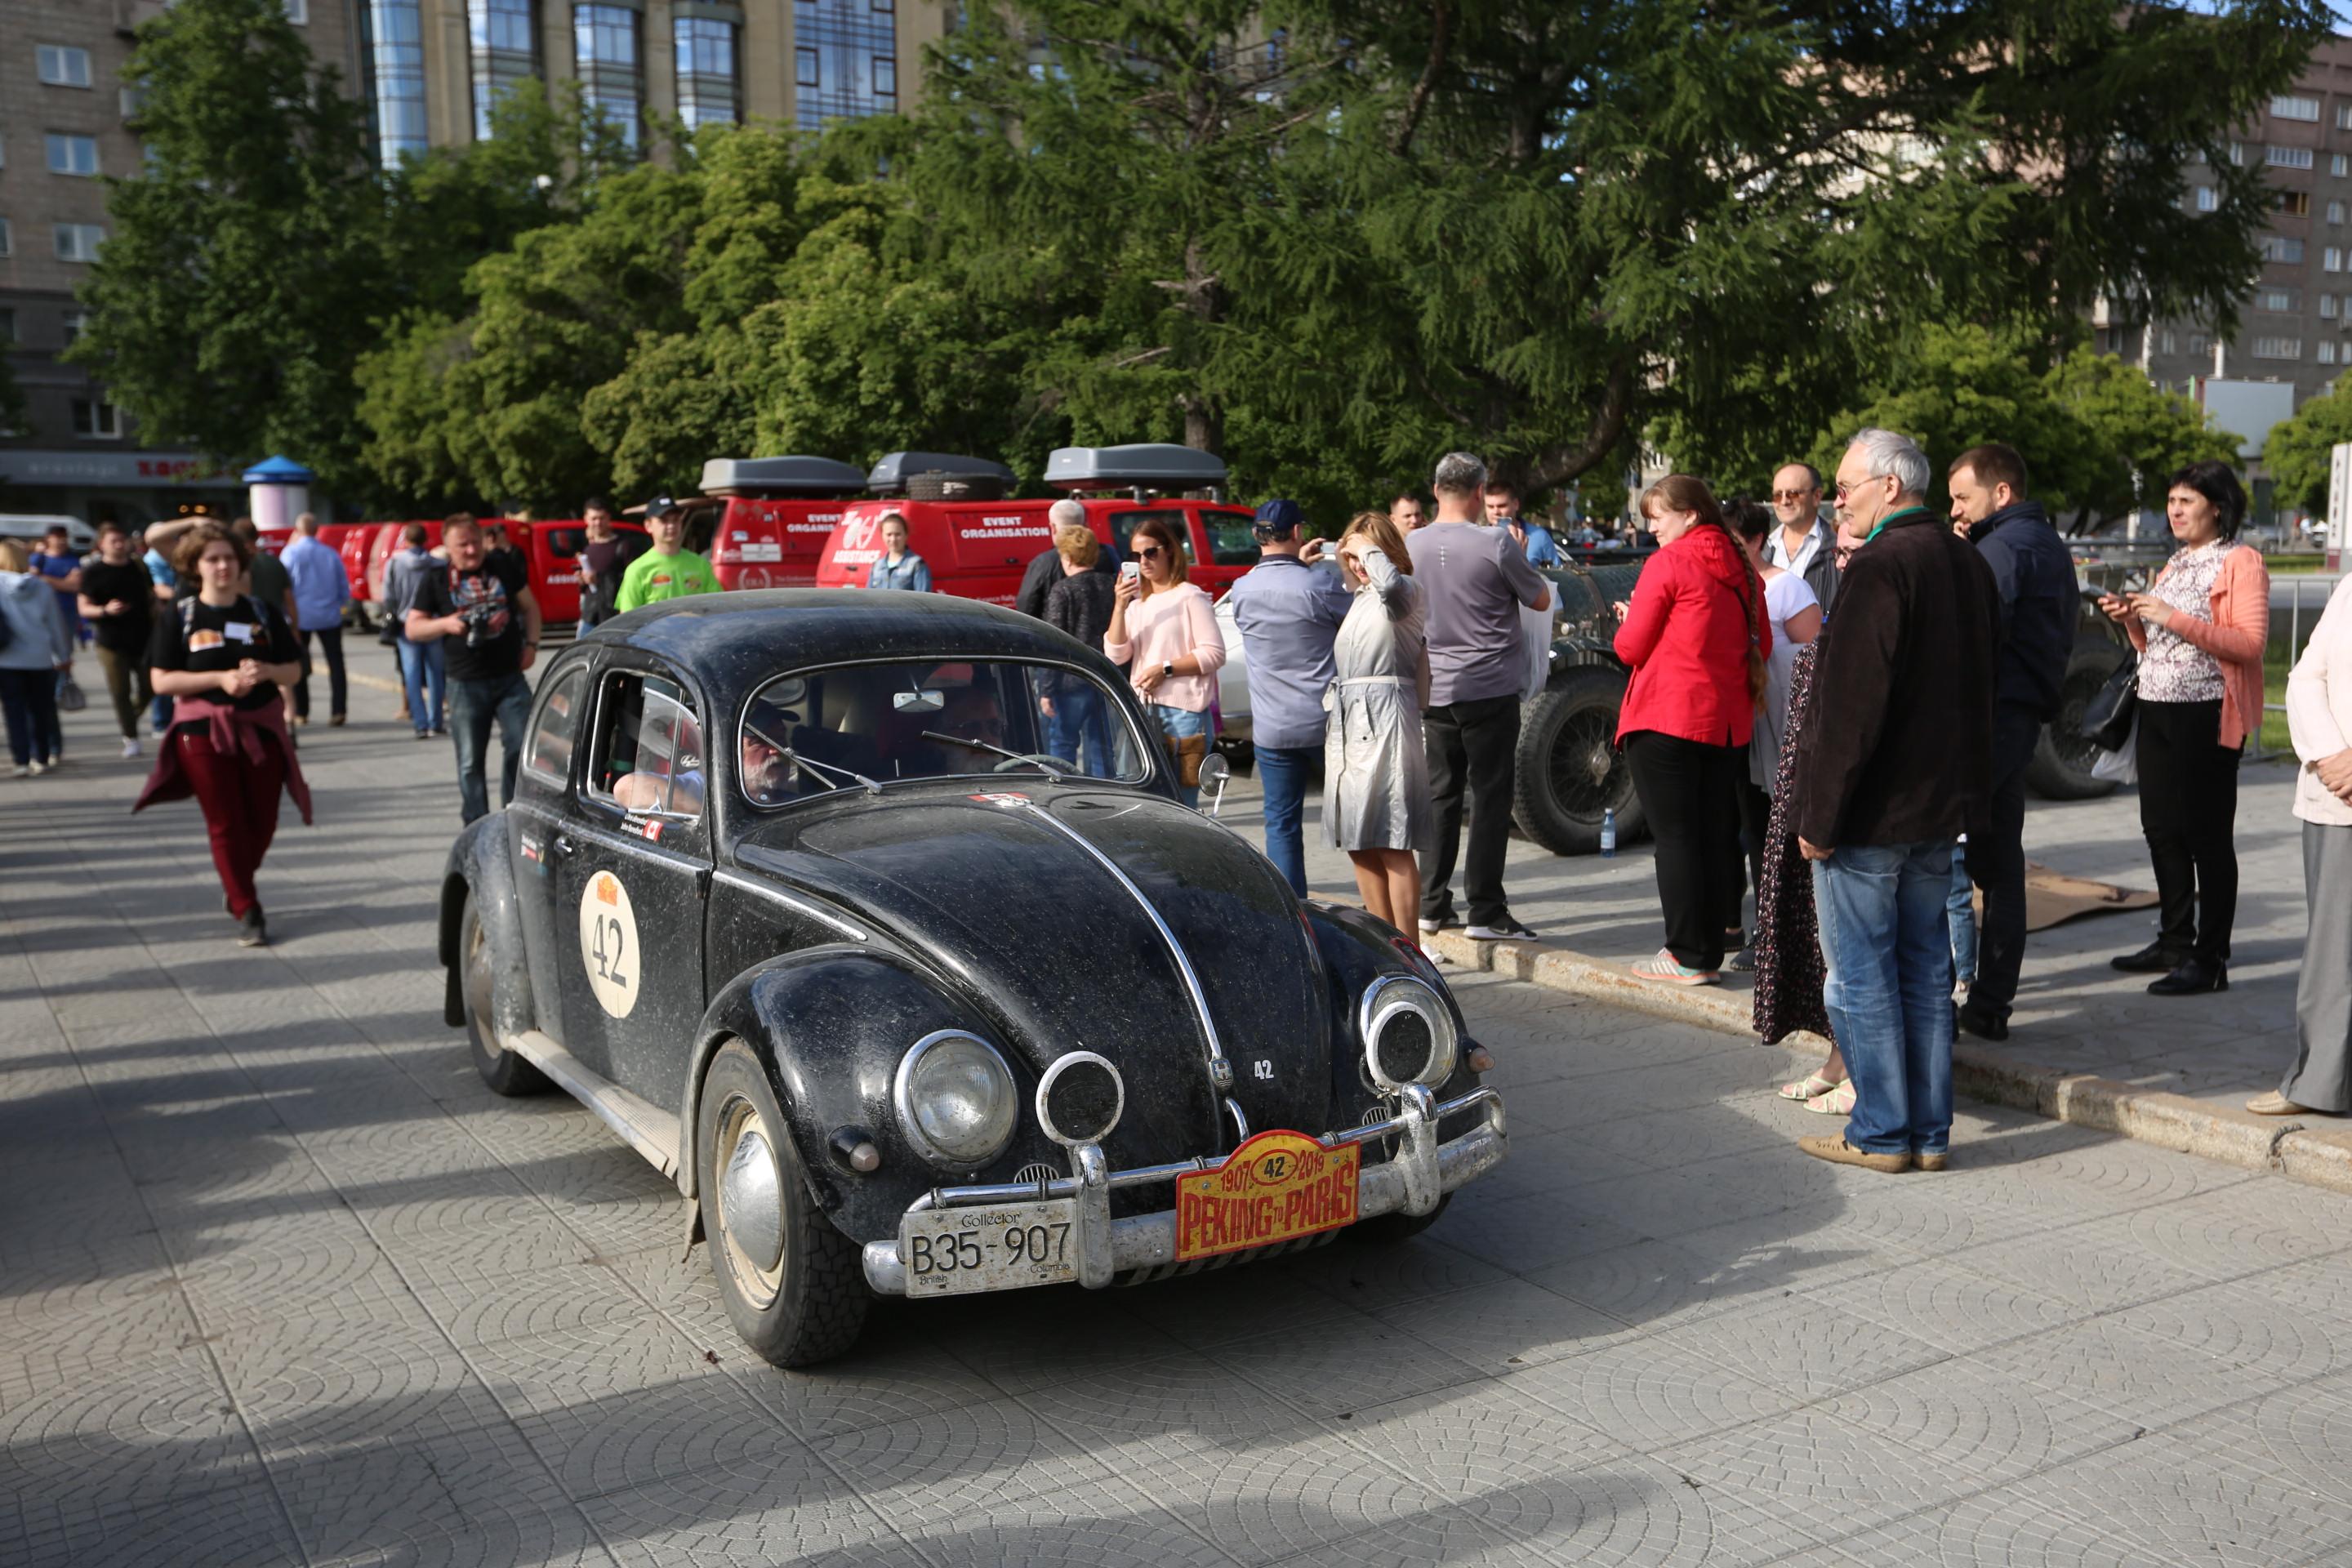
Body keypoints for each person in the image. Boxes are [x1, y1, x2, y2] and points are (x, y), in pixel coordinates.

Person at [1790, 428, 1999, 1174]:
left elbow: (1851, 711)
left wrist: (1819, 820)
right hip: (1937, 811)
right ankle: (1927, 1132)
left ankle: (1882, 1132)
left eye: (1844, 486)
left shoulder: (1882, 565)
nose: (1834, 498)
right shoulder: (1965, 562)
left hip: (1876, 814)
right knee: (1922, 969)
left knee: (1868, 973)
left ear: (1891, 487)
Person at [2098, 461, 2270, 996]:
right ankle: (2174, 940)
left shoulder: (2242, 561)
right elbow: (2156, 646)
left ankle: (2210, 959)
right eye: (2171, 501)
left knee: (2207, 836)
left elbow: (2249, 644)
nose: (2175, 510)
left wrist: (2172, 616)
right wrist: (2131, 617)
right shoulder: (2175, 561)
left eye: (2187, 501)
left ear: (2217, 507)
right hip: (2156, 706)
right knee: (2161, 828)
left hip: (2209, 712)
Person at [1610, 475, 1770, 985]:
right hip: (1725, 723)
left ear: (1691, 516)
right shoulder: (1744, 571)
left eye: (1658, 515)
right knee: (1712, 836)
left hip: (1666, 716)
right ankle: (1705, 953)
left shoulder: (1670, 563)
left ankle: (1684, 953)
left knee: (1677, 840)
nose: (1650, 525)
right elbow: (1760, 644)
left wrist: (1632, 618)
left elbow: (1630, 648)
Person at [1944, 443, 2074, 1040]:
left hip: (1990, 720)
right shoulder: (2036, 541)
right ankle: (1990, 1004)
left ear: (2001, 493)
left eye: (1962, 498)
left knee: (1935, 849)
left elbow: (1970, 633)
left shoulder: (2006, 547)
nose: (1956, 511)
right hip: (2013, 718)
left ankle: (1946, 999)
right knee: (1999, 866)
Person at [137, 522, 310, 946]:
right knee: (226, 821)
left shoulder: (262, 612)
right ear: (196, 566)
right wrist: (221, 678)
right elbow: (160, 681)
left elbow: (295, 669)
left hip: (261, 728)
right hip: (201, 731)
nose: (222, 566)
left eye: (229, 558)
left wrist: (267, 671)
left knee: (264, 820)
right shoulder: (181, 614)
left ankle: (236, 883)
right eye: (212, 559)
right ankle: (247, 907)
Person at [1410, 451, 1551, 942]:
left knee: (1441, 796)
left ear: (1435, 491)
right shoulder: (1495, 542)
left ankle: (1431, 903)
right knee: (1491, 798)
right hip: (1488, 685)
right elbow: (1541, 598)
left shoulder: (1412, 542)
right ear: (1478, 493)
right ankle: (1486, 911)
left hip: (1436, 685)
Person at [2251, 572, 2352, 1118]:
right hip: (2337, 797)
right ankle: (2320, 1081)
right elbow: (2304, 676)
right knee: (2333, 954)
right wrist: (2333, 754)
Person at [1223, 498, 1356, 894]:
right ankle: (1379, 899)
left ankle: (1295, 906)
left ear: (1255, 535)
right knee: (1356, 820)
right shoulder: (1319, 584)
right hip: (1325, 722)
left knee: (1281, 822)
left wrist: (1296, 564)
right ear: (1298, 532)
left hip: (1272, 728)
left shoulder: (1242, 589)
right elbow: (1355, 622)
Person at [1726, 497, 1821, 970]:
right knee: (1753, 828)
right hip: (1743, 732)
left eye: (1734, 539)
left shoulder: (1788, 589)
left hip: (1784, 734)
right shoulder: (1726, 586)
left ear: (1757, 540)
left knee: (1781, 830)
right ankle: (1760, 924)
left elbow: (1813, 661)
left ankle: (1784, 930)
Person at [1325, 511, 1432, 932]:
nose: (1356, 563)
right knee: (1359, 841)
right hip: (1350, 724)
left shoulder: (1406, 591)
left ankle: (1410, 949)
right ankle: (1385, 941)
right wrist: (1339, 555)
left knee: (1393, 840)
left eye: (1364, 553)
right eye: (1350, 555)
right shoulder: (1360, 598)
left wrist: (1365, 548)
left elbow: (1390, 583)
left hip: (1387, 719)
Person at [406, 514, 541, 824]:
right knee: (469, 761)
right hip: (465, 682)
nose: (471, 550)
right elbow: (413, 628)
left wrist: (532, 645)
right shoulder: (436, 579)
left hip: (510, 677)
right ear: (447, 548)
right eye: (462, 545)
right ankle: (476, 825)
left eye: (475, 542)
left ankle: (513, 815)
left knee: (523, 747)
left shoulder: (502, 566)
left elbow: (530, 606)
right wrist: (446, 623)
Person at [1104, 514, 1226, 808]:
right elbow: (1115, 654)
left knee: (1182, 802)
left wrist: (1165, 669)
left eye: (1150, 552)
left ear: (1169, 550)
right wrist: (1119, 607)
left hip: (1184, 713)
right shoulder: (1137, 606)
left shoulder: (1189, 596)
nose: (1143, 561)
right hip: (1142, 709)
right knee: (1145, 800)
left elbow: (1214, 653)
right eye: (1135, 555)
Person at [1039, 525, 1119, 776]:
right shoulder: (1112, 585)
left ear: (1068, 557)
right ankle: (1105, 798)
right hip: (1106, 677)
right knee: (1103, 746)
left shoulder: (1062, 590)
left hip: (1069, 681)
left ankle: (1066, 797)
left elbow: (1053, 642)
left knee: (1063, 744)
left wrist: (1046, 689)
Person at [75, 522, 158, 759]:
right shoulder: (93, 572)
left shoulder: (139, 567)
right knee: (120, 691)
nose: (120, 545)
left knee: (149, 688)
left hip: (143, 638)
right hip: (110, 641)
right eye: (114, 541)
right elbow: (83, 608)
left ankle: (129, 718)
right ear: (101, 545)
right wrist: (105, 610)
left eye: (123, 540)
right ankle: (130, 737)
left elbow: (151, 597)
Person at [0, 540, 73, 777]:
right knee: (40, 710)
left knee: (14, 712)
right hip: (40, 657)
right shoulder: (42, 587)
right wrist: (63, 654)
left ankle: (21, 760)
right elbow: (55, 624)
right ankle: (41, 757)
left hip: (7, 658)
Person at [280, 513, 353, 729]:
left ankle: (302, 711)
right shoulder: (330, 554)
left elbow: (286, 586)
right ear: (317, 530)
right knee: (336, 664)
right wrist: (338, 605)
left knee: (300, 663)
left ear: (297, 530)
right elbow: (343, 586)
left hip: (300, 616)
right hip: (329, 615)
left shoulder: (291, 552)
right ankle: (339, 710)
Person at [382, 523, 447, 739]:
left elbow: (389, 595)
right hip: (434, 623)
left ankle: (420, 723)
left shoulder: (395, 563)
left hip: (405, 624)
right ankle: (436, 720)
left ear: (406, 540)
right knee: (436, 673)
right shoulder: (438, 564)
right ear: (426, 540)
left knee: (411, 674)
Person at [1017, 500, 1115, 620]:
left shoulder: (1042, 563)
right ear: (1085, 524)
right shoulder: (1107, 554)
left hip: (1054, 633)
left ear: (1052, 528)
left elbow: (1026, 606)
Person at [615, 498, 718, 612]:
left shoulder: (701, 564)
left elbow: (718, 607)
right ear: (648, 525)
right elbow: (628, 618)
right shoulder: (638, 569)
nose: (671, 526)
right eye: (663, 520)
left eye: (676, 520)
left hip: (695, 630)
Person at [1765, 462, 1838, 617]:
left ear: (1817, 496)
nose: (1784, 501)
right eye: (1778, 495)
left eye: (1793, 493)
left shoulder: (1839, 550)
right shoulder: (1762, 548)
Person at [576, 498, 644, 630]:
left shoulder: (624, 546)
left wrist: (600, 578)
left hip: (614, 617)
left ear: (608, 518)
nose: (598, 523)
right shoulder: (589, 549)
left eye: (602, 518)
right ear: (586, 519)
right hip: (590, 616)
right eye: (594, 518)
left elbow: (634, 581)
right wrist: (582, 580)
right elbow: (588, 587)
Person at [1483, 481, 1559, 567]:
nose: (1496, 512)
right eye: (1490, 506)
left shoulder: (1540, 537)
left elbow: (1557, 574)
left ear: (1516, 504)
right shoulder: (1479, 539)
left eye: (1502, 506)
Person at [863, 513, 933, 592]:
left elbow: (923, 600)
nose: (893, 539)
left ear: (906, 535)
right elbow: (869, 599)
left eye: (898, 534)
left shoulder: (917, 565)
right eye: (889, 534)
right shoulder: (876, 567)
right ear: (882, 535)